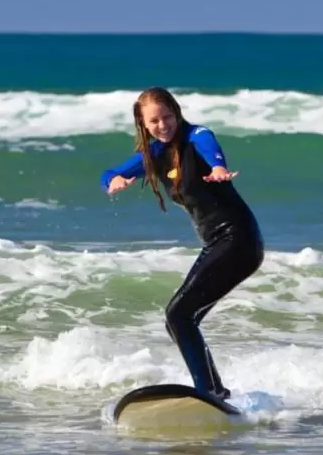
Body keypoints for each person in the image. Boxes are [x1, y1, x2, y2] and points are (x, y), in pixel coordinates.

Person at [100, 86, 264, 401]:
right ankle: (217, 393)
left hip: (237, 239)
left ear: (176, 113)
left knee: (178, 316)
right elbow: (110, 172)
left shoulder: (196, 136)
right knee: (181, 321)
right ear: (143, 125)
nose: (163, 125)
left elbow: (209, 146)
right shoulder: (156, 153)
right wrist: (113, 181)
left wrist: (217, 168)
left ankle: (209, 394)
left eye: (167, 117)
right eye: (154, 121)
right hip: (220, 243)